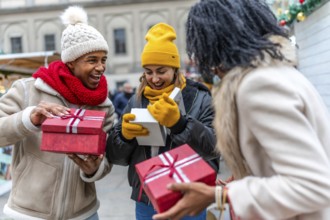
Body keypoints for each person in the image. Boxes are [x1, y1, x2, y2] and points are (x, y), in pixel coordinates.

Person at [152, 0, 330, 220]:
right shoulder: (277, 72)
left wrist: (221, 195)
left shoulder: (258, 84)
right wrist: (242, 179)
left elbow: (312, 185)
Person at [0, 6, 115, 220]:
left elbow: (108, 157)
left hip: (84, 214)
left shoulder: (104, 105)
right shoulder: (27, 89)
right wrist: (29, 118)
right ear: (71, 62)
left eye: (103, 59)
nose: (100, 67)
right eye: (92, 60)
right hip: (28, 214)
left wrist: (94, 168)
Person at [106, 22, 219, 220]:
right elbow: (116, 157)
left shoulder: (199, 97)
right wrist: (124, 136)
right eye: (148, 72)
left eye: (161, 71)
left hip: (189, 197)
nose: (154, 79)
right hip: (147, 200)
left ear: (175, 69)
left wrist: (180, 124)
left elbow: (214, 148)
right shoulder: (137, 100)